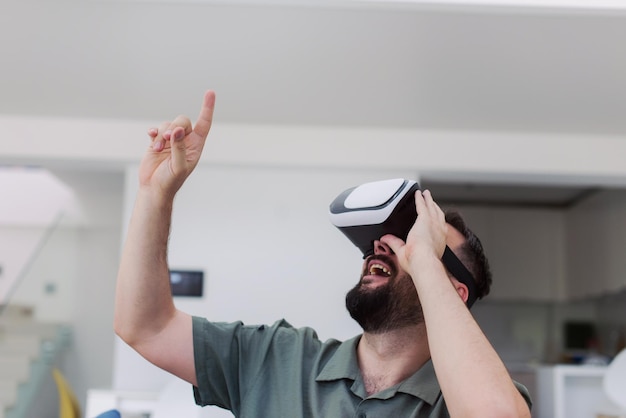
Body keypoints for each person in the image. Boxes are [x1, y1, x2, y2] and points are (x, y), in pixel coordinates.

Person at [114, 90, 532, 417]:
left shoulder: (463, 397)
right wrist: (155, 195)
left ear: (455, 290)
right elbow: (146, 328)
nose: (383, 244)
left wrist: (423, 263)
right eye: (382, 238)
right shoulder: (277, 359)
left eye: (414, 238)